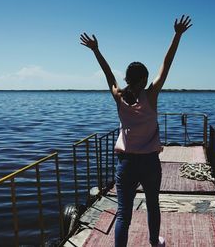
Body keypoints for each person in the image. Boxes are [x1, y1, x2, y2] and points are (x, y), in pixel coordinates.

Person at [80, 15, 192, 247]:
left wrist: (95, 50)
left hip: (127, 164)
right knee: (153, 205)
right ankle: (154, 241)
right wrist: (177, 35)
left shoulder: (119, 97)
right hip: (150, 162)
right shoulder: (150, 95)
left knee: (123, 214)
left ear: (128, 79)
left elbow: (108, 73)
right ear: (143, 79)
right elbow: (167, 63)